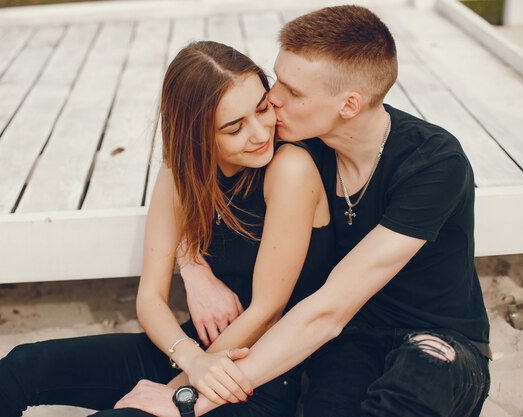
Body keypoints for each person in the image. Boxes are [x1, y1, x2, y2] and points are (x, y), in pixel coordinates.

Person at [117, 6, 490, 417]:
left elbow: (326, 310)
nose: (272, 98)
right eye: (277, 79)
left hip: (437, 338)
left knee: (410, 393)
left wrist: (186, 399)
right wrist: (194, 268)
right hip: (351, 338)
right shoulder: (296, 141)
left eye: (292, 92)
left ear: (349, 105)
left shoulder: (433, 163)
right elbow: (196, 170)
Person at [0, 41, 335, 417]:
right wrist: (191, 357)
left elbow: (267, 311)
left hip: (254, 376)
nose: (260, 132)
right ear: (198, 136)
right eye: (234, 128)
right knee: (25, 364)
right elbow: (149, 298)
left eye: (263, 108)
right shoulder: (181, 175)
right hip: (198, 354)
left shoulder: (289, 169)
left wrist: (178, 388)